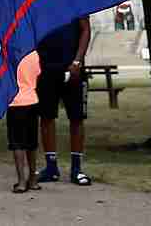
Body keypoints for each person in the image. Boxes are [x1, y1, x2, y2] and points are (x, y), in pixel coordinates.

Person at [36, 14, 92, 186]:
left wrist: (77, 61)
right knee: (46, 116)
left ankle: (76, 169)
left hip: (72, 70)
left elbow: (85, 29)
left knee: (76, 118)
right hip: (45, 69)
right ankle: (51, 167)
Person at [7, 51, 42, 193]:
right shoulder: (34, 54)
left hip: (15, 102)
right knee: (31, 143)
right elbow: (38, 75)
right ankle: (32, 179)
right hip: (32, 100)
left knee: (17, 143)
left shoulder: (8, 55)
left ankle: (21, 181)